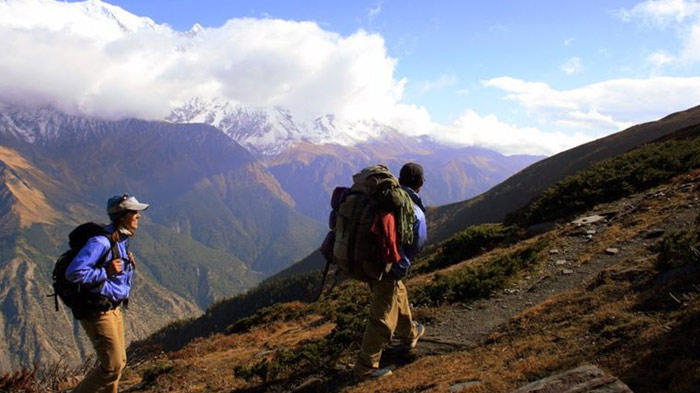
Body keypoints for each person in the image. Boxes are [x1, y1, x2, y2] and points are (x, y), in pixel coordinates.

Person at [66, 194, 149, 393]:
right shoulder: (101, 242)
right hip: (99, 311)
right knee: (111, 367)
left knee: (119, 363)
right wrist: (106, 271)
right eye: (133, 213)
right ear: (121, 217)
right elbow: (74, 273)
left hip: (113, 308)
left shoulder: (119, 240)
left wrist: (125, 262)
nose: (138, 216)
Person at [352, 163, 428, 380]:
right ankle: (365, 367)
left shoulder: (379, 199)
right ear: (420, 184)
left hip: (366, 259)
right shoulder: (410, 208)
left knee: (397, 291)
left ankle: (408, 334)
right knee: (382, 314)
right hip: (386, 265)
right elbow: (418, 242)